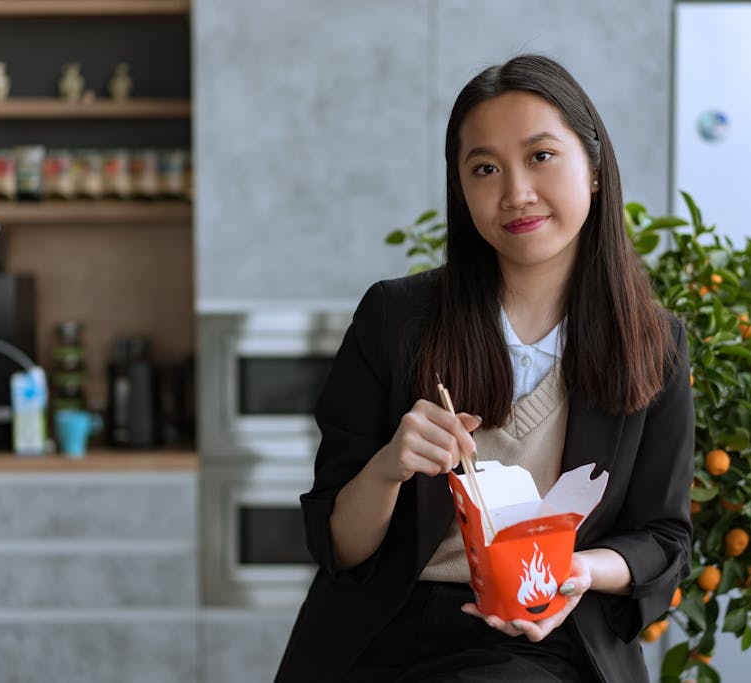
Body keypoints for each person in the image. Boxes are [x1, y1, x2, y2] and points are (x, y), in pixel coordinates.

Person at [275, 54, 694, 683]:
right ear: (461, 189)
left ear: (596, 167)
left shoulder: (653, 344)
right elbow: (339, 546)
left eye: (541, 157)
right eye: (485, 169)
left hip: (553, 635)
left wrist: (579, 572)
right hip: (390, 633)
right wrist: (390, 465)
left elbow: (663, 537)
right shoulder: (395, 318)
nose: (515, 192)